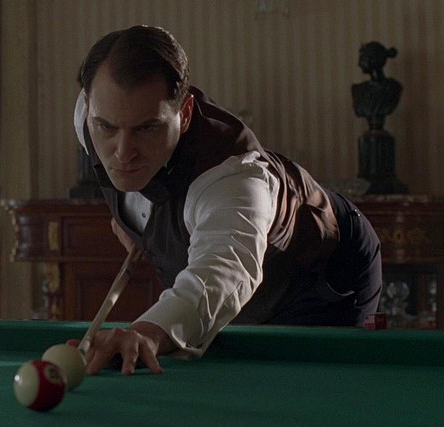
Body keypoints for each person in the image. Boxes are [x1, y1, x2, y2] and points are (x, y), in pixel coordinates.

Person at [71, 25, 382, 375]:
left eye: (147, 128)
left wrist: (147, 334)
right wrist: (132, 218)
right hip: (249, 289)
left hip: (321, 274)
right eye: (107, 127)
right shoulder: (87, 116)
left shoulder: (232, 177)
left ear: (184, 114)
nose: (123, 152)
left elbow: (225, 271)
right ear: (88, 106)